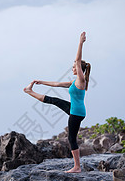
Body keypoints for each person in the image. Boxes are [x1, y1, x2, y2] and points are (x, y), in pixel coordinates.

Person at [23, 32, 91, 173]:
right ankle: (29, 91)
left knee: (71, 138)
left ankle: (77, 167)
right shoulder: (74, 82)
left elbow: (78, 61)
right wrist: (41, 81)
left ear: (79, 70)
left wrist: (80, 43)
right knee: (54, 100)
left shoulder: (81, 80)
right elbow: (57, 83)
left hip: (76, 112)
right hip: (75, 109)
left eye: (74, 67)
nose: (72, 68)